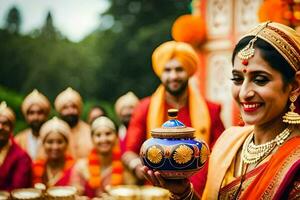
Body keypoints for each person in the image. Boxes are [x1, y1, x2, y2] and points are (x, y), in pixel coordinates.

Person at [142, 22, 300, 200]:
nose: (244, 93)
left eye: (260, 79)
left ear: (294, 86)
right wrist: (183, 192)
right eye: (237, 79)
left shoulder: (295, 160)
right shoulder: (229, 141)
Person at [123, 41, 225, 195]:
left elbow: (221, 151)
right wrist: (138, 167)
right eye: (167, 70)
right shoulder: (144, 108)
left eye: (179, 70)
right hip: (156, 192)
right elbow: (129, 152)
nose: (173, 76)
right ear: (160, 73)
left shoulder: (211, 109)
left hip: (201, 193)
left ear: (189, 72)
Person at [71, 116, 124, 198]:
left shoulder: (124, 167)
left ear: (116, 137)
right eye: (98, 135)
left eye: (108, 134)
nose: (103, 139)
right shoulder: (81, 167)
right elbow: (74, 196)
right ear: (92, 139)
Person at [33, 117, 75, 187]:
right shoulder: (34, 169)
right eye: (50, 142)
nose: (55, 147)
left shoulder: (75, 169)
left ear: (67, 144)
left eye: (60, 142)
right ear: (43, 144)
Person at [0, 101, 32, 190]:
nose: (0, 127)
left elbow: (17, 189)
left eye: (5, 123)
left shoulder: (22, 157)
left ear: (12, 128)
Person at [54, 87, 92, 159]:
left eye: (74, 107)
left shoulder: (89, 131)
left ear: (79, 109)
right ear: (59, 111)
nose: (70, 111)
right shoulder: (52, 132)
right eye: (65, 108)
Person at [15, 89, 50, 160]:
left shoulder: (54, 139)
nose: (35, 117)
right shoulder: (19, 140)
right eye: (31, 113)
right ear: (26, 116)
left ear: (46, 115)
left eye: (39, 113)